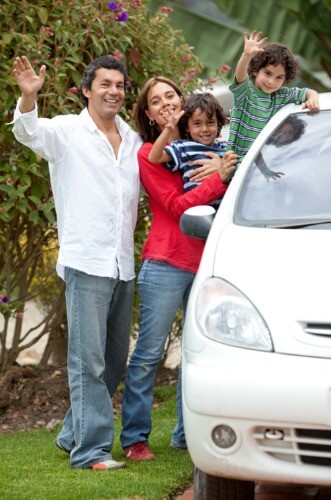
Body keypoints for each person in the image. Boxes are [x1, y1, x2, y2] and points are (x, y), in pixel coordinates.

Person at [11, 55, 142, 470]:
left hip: (122, 263)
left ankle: (71, 434)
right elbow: (28, 132)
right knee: (88, 362)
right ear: (87, 90)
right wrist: (29, 98)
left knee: (114, 361)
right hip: (87, 261)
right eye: (104, 84)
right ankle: (91, 452)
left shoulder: (133, 139)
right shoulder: (67, 131)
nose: (113, 91)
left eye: (119, 85)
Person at [120, 76, 237, 461]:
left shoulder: (212, 145)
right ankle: (135, 437)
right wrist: (218, 177)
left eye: (171, 95)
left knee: (200, 353)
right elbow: (177, 206)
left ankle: (186, 435)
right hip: (167, 263)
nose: (166, 102)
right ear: (150, 115)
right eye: (157, 101)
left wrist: (224, 166)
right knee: (149, 354)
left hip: (208, 263)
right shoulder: (149, 155)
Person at [227, 31, 320, 161]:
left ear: (285, 78)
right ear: (255, 70)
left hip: (254, 168)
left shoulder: (282, 95)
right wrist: (246, 55)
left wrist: (313, 99)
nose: (271, 82)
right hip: (233, 165)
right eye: (267, 73)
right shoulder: (246, 92)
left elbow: (308, 92)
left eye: (279, 77)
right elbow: (240, 76)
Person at [148, 92, 227, 207]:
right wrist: (169, 128)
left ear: (218, 123)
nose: (204, 129)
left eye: (210, 123)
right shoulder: (183, 147)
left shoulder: (225, 148)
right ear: (187, 127)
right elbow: (154, 157)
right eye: (197, 124)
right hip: (198, 211)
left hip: (224, 212)